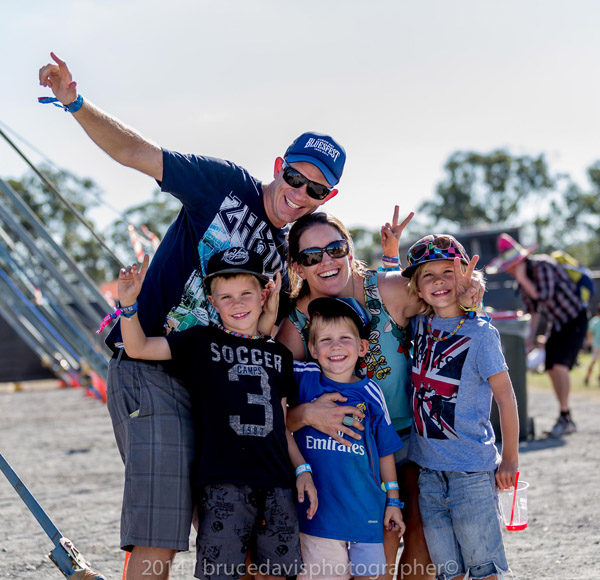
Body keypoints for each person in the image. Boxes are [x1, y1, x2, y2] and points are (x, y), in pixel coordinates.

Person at [39, 52, 344, 580]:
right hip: (154, 366)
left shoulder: (282, 256)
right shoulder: (224, 185)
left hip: (214, 393)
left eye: (316, 190)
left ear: (328, 196)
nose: (300, 194)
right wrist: (75, 102)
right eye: (295, 177)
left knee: (229, 530)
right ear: (280, 167)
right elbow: (138, 152)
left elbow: (288, 324)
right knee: (162, 528)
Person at [278, 210, 483, 580]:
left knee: (422, 540)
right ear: (297, 267)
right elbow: (277, 410)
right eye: (312, 256)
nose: (327, 261)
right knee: (379, 550)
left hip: (410, 443)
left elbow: (445, 300)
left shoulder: (387, 289)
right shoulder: (294, 325)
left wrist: (468, 296)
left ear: (349, 248)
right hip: (345, 453)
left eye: (336, 248)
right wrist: (306, 414)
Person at [117, 247, 317, 580]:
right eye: (225, 297)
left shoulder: (279, 354)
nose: (237, 303)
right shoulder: (199, 342)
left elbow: (282, 425)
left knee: (277, 574)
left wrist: (303, 469)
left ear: (264, 293)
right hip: (222, 485)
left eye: (245, 294)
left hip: (277, 482)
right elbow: (138, 348)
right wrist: (128, 305)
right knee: (222, 574)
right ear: (211, 301)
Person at [404, 234, 519, 580]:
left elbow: (506, 397)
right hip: (428, 473)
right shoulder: (418, 325)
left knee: (483, 569)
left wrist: (510, 457)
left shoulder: (482, 334)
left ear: (468, 278)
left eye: (448, 271)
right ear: (418, 290)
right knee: (447, 570)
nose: (438, 280)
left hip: (470, 472)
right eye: (428, 275)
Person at [292, 296, 405, 580]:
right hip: (318, 520)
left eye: (345, 337)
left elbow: (385, 451)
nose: (336, 346)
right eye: (325, 339)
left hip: (366, 515)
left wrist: (393, 501)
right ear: (312, 349)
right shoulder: (302, 378)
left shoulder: (372, 393)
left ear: (362, 347)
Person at [486, 233, 588, 437]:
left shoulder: (543, 266)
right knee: (550, 367)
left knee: (559, 366)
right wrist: (530, 339)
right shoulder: (523, 281)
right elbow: (534, 310)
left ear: (520, 261)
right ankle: (565, 416)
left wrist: (523, 278)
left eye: (512, 267)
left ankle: (565, 416)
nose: (511, 272)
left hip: (574, 319)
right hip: (557, 323)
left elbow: (544, 296)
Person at [584, 304, 600, 386]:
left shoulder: (595, 320)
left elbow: (589, 332)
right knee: (594, 361)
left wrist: (590, 341)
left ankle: (588, 376)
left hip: (596, 345)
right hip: (597, 345)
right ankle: (588, 377)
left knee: (593, 361)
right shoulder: (596, 320)